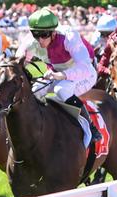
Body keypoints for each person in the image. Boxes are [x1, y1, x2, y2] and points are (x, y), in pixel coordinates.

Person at [16, 7, 101, 142]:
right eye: (36, 34)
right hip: (58, 75)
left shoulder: (69, 36)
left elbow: (84, 67)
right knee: (35, 91)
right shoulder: (32, 40)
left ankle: (91, 127)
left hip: (85, 75)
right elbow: (18, 60)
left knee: (61, 90)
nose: (40, 40)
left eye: (44, 35)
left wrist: (62, 75)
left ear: (53, 32)